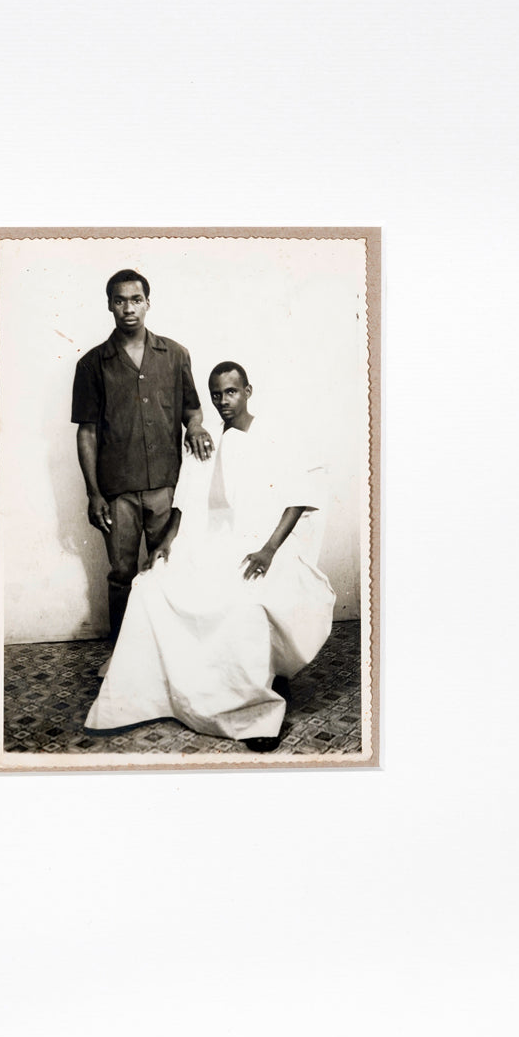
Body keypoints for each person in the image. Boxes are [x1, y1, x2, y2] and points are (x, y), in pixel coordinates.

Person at [84, 361, 336, 752]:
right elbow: (186, 501)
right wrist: (167, 540)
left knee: (243, 604)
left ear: (248, 391)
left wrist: (269, 550)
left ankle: (252, 703)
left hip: (264, 543)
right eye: (216, 394)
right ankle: (165, 694)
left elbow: (297, 500)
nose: (223, 401)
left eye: (231, 392)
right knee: (150, 587)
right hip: (214, 541)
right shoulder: (208, 439)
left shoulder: (275, 435)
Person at [71, 269, 213, 652]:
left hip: (167, 485)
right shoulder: (92, 365)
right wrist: (94, 494)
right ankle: (122, 655)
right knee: (122, 574)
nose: (128, 308)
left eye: (136, 300)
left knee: (168, 566)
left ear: (148, 303)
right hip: (117, 490)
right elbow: (87, 432)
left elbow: (192, 410)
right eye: (120, 301)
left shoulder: (175, 354)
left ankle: (169, 652)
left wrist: (196, 428)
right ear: (109, 306)